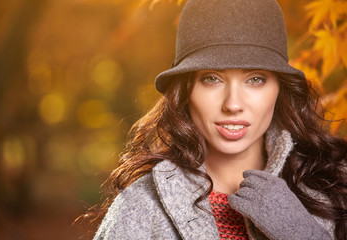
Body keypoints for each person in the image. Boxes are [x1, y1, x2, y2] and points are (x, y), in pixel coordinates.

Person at [93, 0, 347, 239]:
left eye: (255, 79)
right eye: (211, 79)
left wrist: (300, 232)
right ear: (186, 91)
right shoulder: (139, 208)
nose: (233, 104)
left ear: (279, 89)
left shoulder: (332, 188)